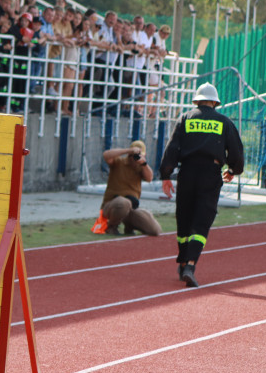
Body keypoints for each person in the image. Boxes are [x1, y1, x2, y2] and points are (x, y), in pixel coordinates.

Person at [159, 83, 245, 287]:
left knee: (184, 217)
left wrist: (165, 175)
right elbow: (236, 152)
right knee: (202, 220)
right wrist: (233, 170)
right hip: (210, 174)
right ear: (215, 102)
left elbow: (172, 147)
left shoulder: (185, 118)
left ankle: (182, 261)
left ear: (196, 100)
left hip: (187, 172)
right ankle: (190, 264)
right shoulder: (224, 122)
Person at [99, 141, 161, 236]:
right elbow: (106, 155)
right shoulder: (118, 162)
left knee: (154, 230)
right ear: (129, 155)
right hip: (112, 206)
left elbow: (149, 178)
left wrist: (144, 164)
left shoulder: (141, 167)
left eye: (139, 156)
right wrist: (128, 150)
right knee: (124, 203)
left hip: (131, 207)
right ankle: (111, 227)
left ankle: (130, 226)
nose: (135, 159)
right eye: (133, 156)